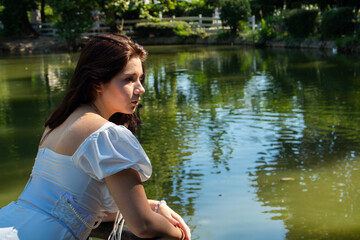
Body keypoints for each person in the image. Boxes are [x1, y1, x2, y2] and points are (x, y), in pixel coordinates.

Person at [0, 34, 191, 240]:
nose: (141, 89)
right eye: (129, 79)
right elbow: (143, 225)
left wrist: (152, 205)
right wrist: (179, 235)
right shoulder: (107, 135)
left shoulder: (56, 123)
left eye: (140, 79)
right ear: (97, 82)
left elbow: (74, 208)